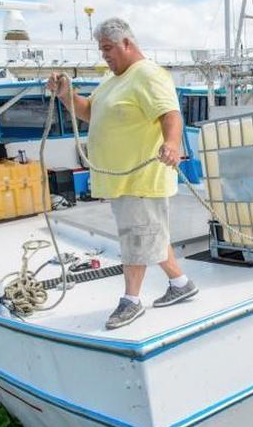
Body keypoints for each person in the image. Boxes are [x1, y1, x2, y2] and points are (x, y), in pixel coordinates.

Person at [47, 17, 198, 330]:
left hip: (140, 178)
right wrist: (65, 95)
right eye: (101, 50)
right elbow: (89, 112)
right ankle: (181, 283)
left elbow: (170, 113)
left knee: (136, 237)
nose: (104, 55)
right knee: (150, 233)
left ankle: (131, 301)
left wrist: (172, 143)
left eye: (108, 48)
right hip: (122, 180)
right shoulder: (113, 80)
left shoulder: (147, 74)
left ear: (127, 43)